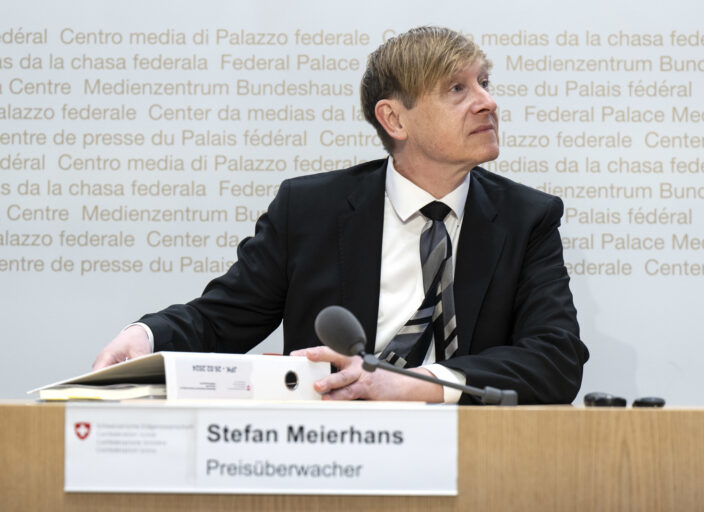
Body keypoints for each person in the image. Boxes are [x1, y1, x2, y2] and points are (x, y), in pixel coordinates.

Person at [93, 26, 588, 404]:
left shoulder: (528, 219)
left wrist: (418, 385)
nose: (488, 101)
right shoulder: (310, 209)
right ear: (394, 118)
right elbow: (221, 320)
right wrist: (145, 337)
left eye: (483, 81)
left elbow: (556, 358)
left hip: (469, 458)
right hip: (330, 449)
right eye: (457, 89)